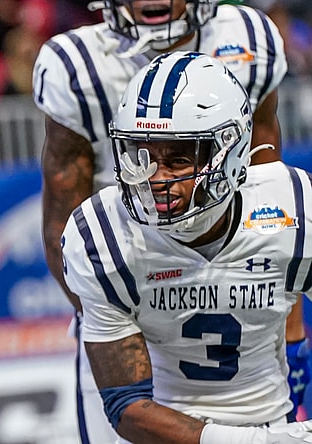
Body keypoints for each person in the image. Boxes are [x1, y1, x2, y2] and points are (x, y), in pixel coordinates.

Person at [31, 1, 308, 440]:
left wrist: (284, 307)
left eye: (177, 158)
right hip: (130, 253)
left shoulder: (250, 40)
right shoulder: (77, 66)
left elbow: (261, 175)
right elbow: (62, 222)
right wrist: (120, 305)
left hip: (234, 253)